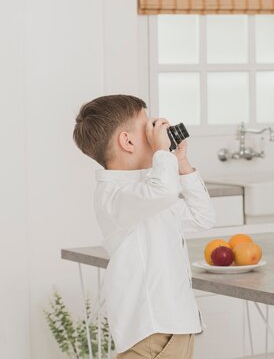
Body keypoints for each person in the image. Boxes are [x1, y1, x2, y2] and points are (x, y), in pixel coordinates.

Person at [73, 95, 216, 359]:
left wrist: (181, 163)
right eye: (149, 127)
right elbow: (163, 191)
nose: (157, 133)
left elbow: (202, 217)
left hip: (175, 323)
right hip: (152, 330)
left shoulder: (148, 189)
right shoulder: (114, 194)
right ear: (127, 142)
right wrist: (162, 153)